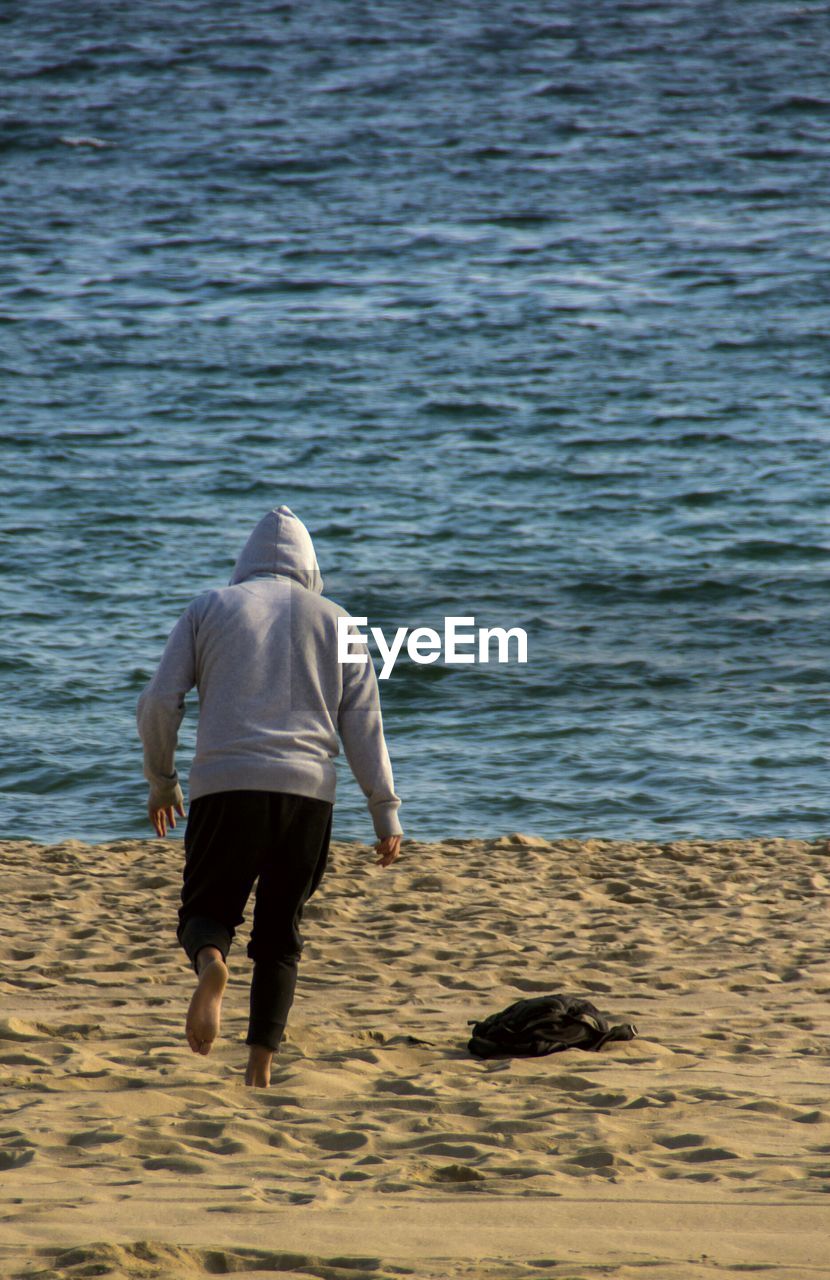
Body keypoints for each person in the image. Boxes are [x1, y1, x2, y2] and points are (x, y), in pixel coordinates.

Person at [136, 505, 402, 1087]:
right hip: (308, 796)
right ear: (310, 568)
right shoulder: (338, 622)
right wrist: (384, 809)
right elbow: (364, 724)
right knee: (281, 935)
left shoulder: (210, 608)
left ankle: (211, 966)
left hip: (226, 788)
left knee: (207, 913)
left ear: (246, 562)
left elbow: (160, 701)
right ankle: (259, 1070)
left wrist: (162, 780)